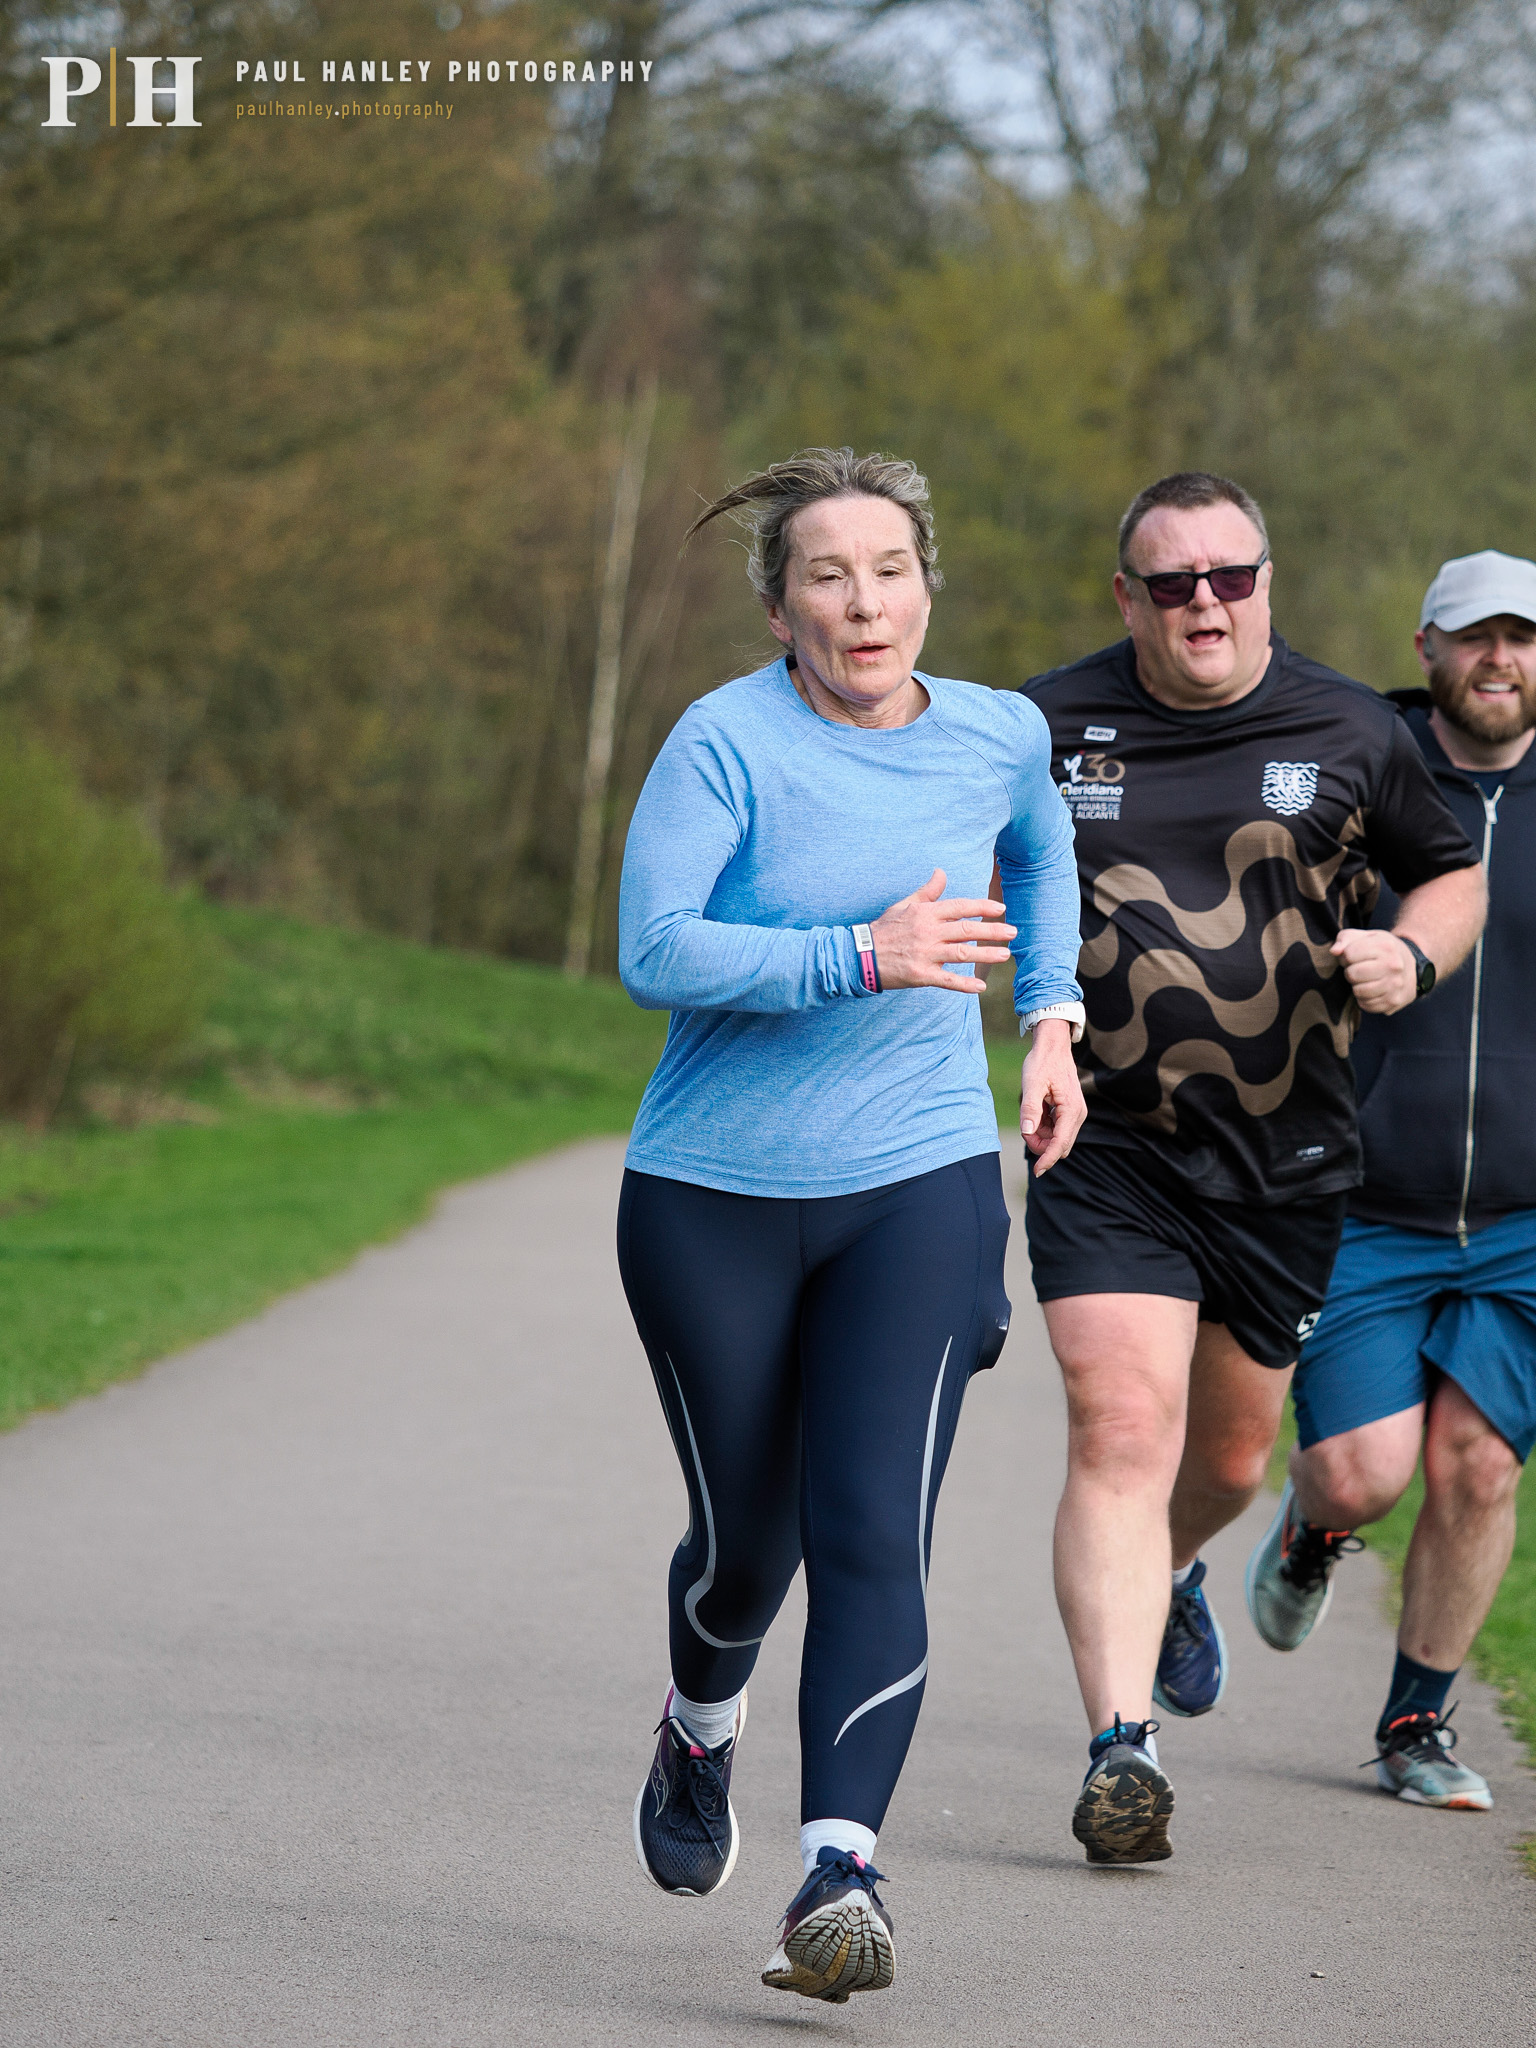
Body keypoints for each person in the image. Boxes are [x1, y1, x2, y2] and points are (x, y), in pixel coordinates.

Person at [617, 447, 1086, 2000]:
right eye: (827, 573)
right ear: (778, 609)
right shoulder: (721, 744)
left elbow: (1041, 841)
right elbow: (657, 949)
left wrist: (1055, 1012)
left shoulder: (1000, 733)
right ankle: (700, 1721)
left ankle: (839, 1875)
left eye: (889, 569)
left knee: (874, 1529)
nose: (863, 599)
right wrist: (858, 957)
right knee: (745, 1554)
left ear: (927, 587)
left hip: (921, 1182)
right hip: (712, 1197)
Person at [1019, 471, 1486, 1866]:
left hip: (1286, 1163)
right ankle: (1122, 1749)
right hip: (1108, 1150)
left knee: (1224, 1456)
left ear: (1267, 582)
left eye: (1229, 576)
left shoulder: (1351, 728)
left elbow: (1449, 872)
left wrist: (1415, 950)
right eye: (1172, 583)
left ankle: (1172, 1570)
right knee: (1118, 1427)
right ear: (1129, 598)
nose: (1203, 603)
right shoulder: (1043, 724)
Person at [1247, 550, 1536, 1810]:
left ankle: (1416, 1721)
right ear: (1427, 646)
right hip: (1364, 1197)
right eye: (1478, 637)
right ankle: (1315, 1530)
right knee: (1364, 1467)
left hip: (1525, 1218)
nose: (1503, 661)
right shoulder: (1360, 776)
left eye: (1525, 640)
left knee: (1479, 1464)